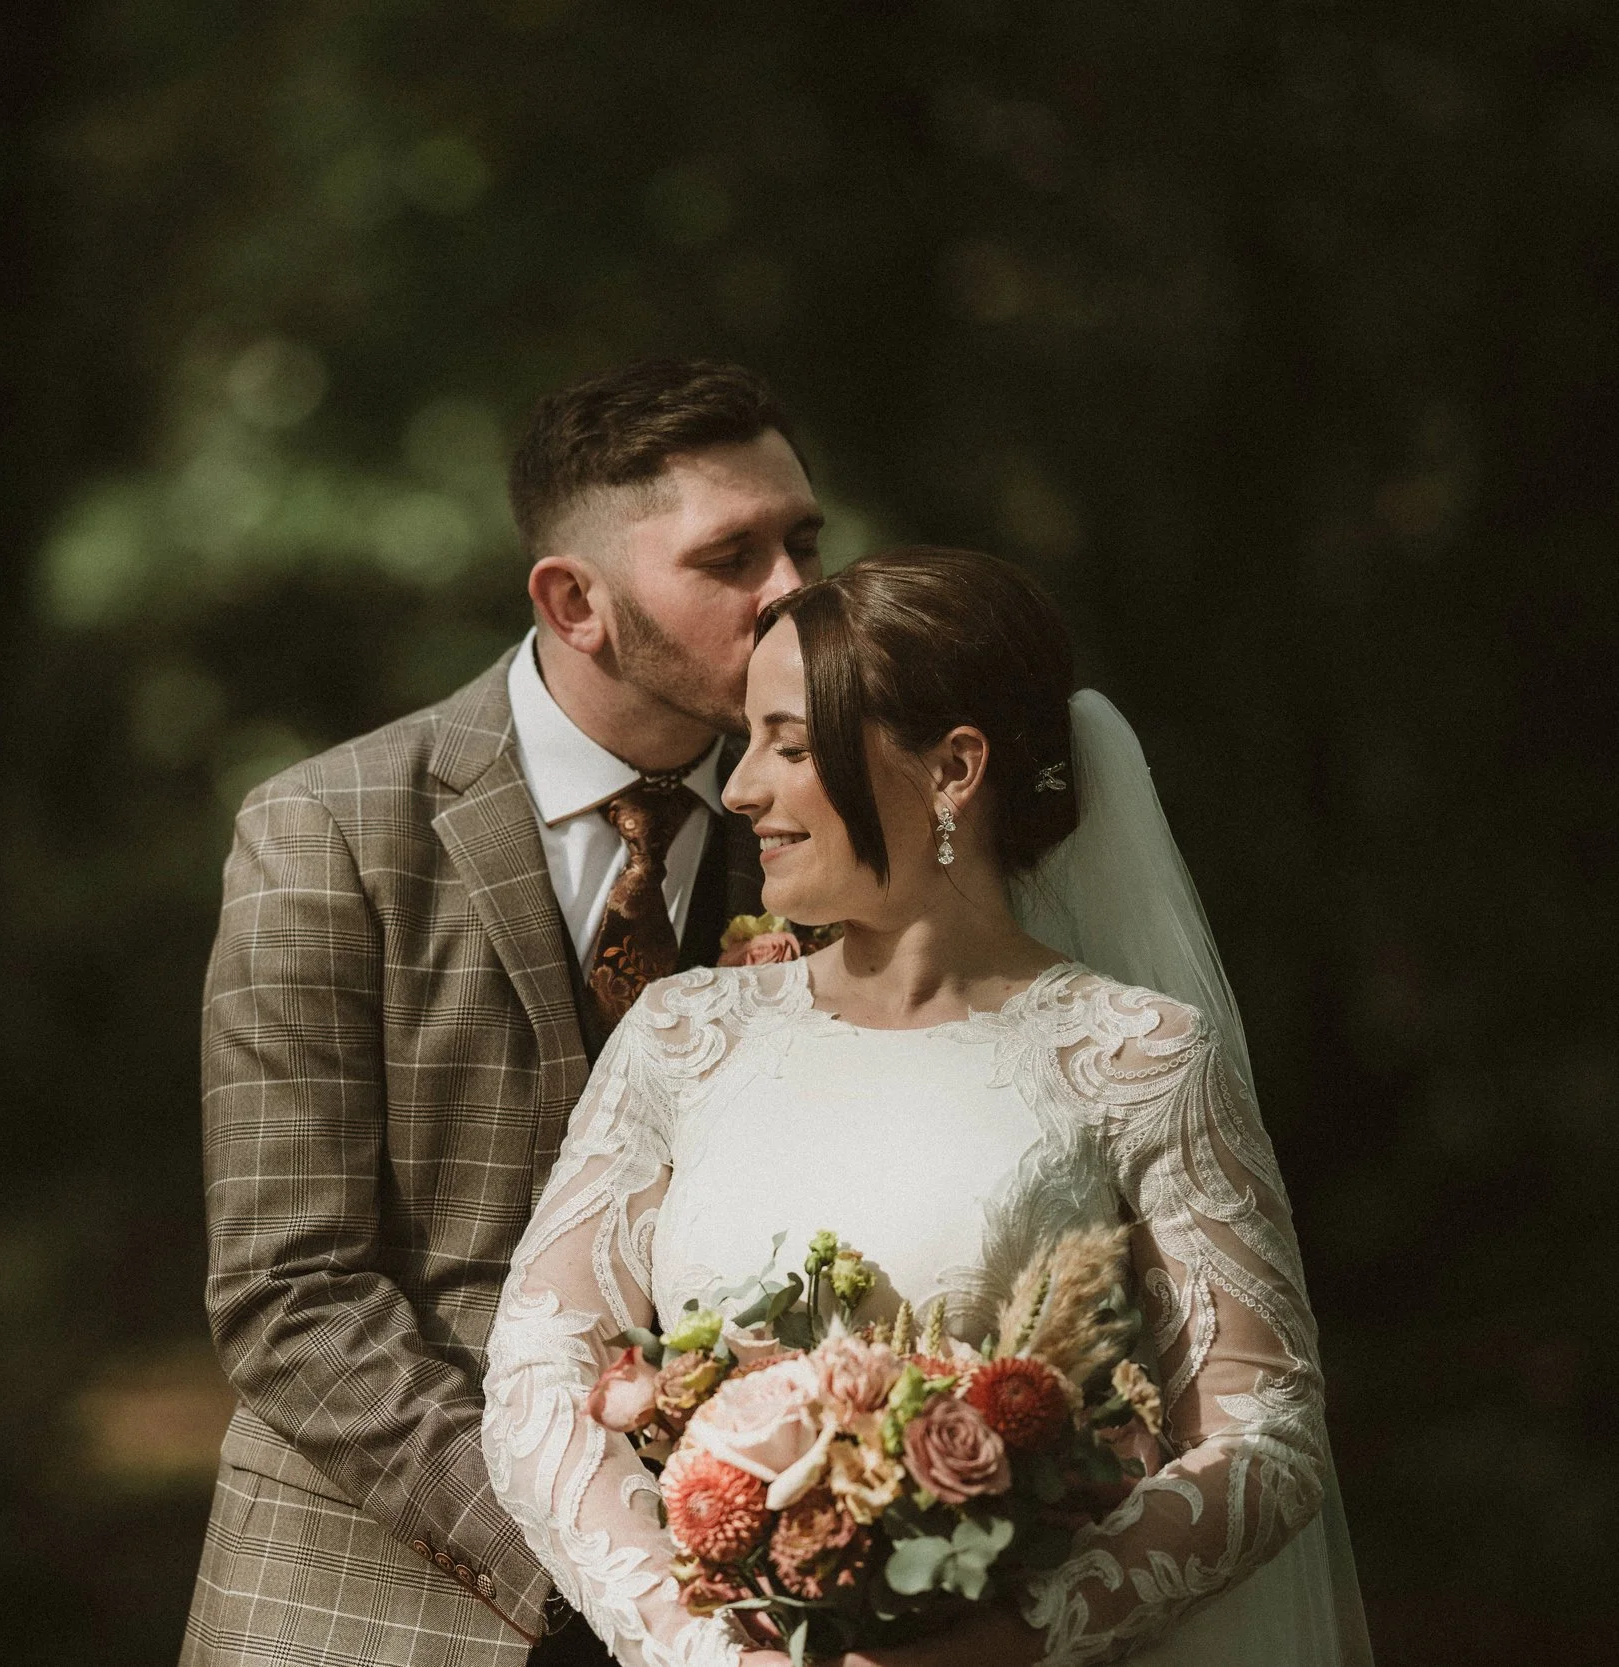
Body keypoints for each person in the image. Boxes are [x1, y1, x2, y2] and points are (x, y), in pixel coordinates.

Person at [480, 549, 1372, 1667]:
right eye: (747, 738)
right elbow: (536, 1377)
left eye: (789, 745)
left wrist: (1015, 1634)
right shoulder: (681, 1036)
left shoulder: (1136, 1056)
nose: (741, 785)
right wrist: (705, 1649)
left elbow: (1264, 1432)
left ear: (953, 768)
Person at [182, 360, 828, 1667]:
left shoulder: (833, 834)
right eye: (732, 555)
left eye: (804, 539)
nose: (795, 589)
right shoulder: (328, 831)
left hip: (777, 1592)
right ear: (573, 600)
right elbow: (288, 1291)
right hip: (391, 1596)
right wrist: (607, 1563)